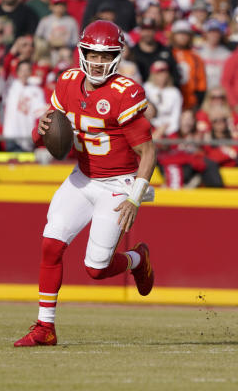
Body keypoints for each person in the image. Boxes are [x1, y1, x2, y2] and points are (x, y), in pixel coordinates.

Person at [14, 20, 156, 347]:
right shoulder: (66, 82)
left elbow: (148, 152)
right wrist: (42, 128)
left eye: (106, 56)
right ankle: (44, 328)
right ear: (82, 52)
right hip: (82, 177)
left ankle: (137, 259)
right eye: (93, 54)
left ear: (117, 58)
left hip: (118, 183)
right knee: (51, 243)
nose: (98, 62)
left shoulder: (124, 94)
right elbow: (46, 136)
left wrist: (134, 197)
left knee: (95, 269)